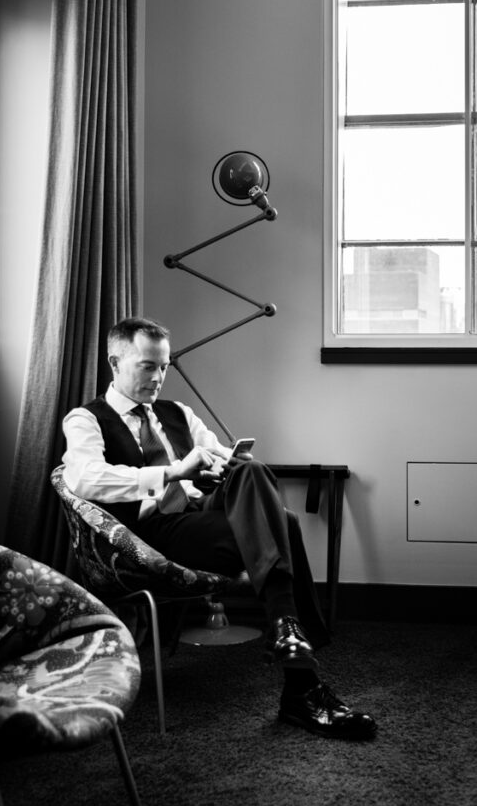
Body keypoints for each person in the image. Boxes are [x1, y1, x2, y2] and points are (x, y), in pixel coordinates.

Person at [62, 316, 377, 741]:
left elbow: (213, 457)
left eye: (164, 367)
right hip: (150, 534)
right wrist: (174, 472)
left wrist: (217, 469)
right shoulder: (85, 418)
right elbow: (84, 478)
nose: (158, 377)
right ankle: (299, 673)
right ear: (115, 363)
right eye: (147, 366)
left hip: (200, 517)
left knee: (249, 469)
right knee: (283, 523)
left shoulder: (179, 413)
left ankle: (290, 640)